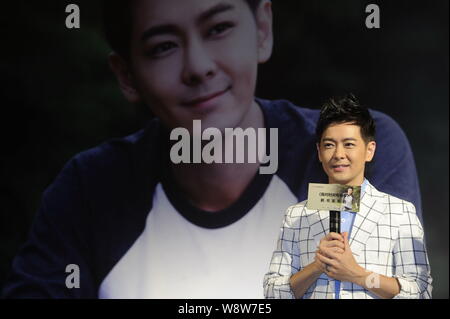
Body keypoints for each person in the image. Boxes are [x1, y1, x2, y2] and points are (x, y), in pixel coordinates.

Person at [3, 0, 423, 298]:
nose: (198, 65)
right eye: (163, 45)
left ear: (262, 29)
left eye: (218, 28)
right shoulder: (88, 193)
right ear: (128, 75)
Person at [263, 95, 432, 299]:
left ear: (369, 150)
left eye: (349, 144)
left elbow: (420, 290)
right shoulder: (297, 215)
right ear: (318, 151)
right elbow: (272, 293)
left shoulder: (399, 211)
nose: (338, 154)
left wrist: (358, 275)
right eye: (329, 145)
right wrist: (316, 267)